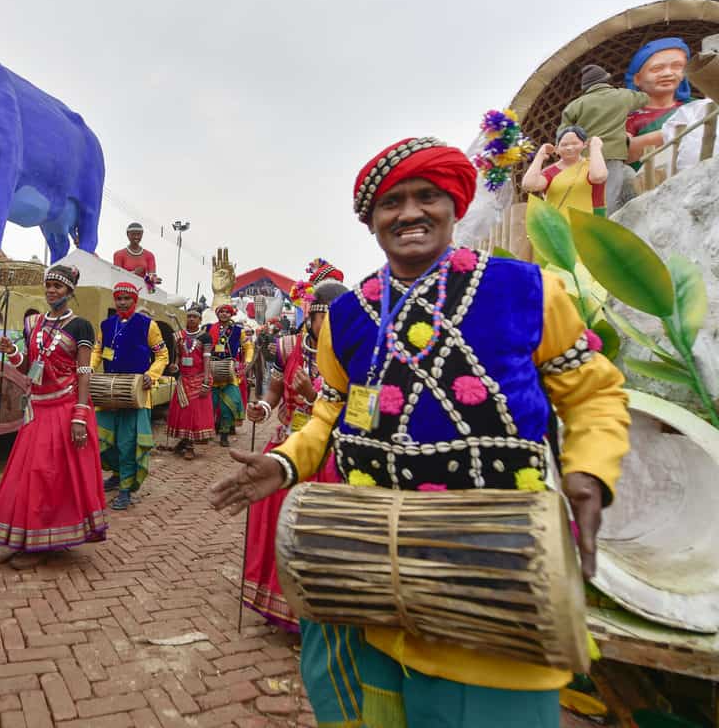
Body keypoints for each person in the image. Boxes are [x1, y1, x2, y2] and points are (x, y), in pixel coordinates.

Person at [210, 137, 630, 728]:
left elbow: (593, 393)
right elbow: (333, 411)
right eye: (391, 203)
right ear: (372, 221)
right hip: (363, 577)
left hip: (490, 577)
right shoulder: (351, 315)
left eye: (426, 196)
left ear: (454, 206)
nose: (409, 213)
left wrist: (589, 471)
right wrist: (285, 462)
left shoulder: (527, 291)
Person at [241, 264, 346, 633]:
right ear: (311, 316)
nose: (328, 326)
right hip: (285, 444)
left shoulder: (350, 356)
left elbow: (350, 410)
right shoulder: (288, 347)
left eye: (336, 318)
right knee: (272, 522)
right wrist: (263, 407)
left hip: (324, 452)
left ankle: (310, 616)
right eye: (323, 318)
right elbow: (272, 387)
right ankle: (274, 601)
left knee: (311, 533)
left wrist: (312, 395)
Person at [0, 264, 108, 557]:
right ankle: (31, 536)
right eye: (50, 285)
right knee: (31, 474)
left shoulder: (81, 326)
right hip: (37, 407)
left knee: (53, 475)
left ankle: (48, 539)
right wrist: (12, 352)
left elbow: (83, 372)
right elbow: (29, 367)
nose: (52, 291)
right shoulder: (34, 324)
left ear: (70, 291)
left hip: (65, 407)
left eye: (59, 286)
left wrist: (80, 413)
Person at [91, 281, 168, 510]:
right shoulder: (106, 325)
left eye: (127, 299)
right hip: (108, 390)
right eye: (119, 299)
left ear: (134, 301)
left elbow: (162, 355)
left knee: (128, 442)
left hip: (136, 392)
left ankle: (125, 488)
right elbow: (97, 351)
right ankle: (116, 474)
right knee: (105, 439)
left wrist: (151, 375)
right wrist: (88, 369)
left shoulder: (148, 325)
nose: (122, 302)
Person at [558, 64, 646, 212]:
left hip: (585, 159)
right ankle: (604, 227)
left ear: (586, 86)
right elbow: (645, 98)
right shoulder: (622, 96)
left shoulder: (575, 106)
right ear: (606, 79)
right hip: (613, 155)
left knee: (588, 195)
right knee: (609, 196)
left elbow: (562, 135)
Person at [626, 38, 693, 170]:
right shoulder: (628, 117)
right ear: (637, 79)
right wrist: (671, 134)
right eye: (657, 68)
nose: (668, 73)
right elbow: (622, 152)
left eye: (677, 66)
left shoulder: (697, 107)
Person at [521, 127, 608, 217]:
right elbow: (528, 185)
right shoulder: (550, 172)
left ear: (584, 145)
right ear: (557, 149)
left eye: (575, 143)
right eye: (564, 145)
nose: (569, 148)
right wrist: (540, 155)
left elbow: (598, 176)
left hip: (590, 223)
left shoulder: (592, 166)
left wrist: (595, 147)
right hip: (558, 225)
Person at [165, 303, 214, 460]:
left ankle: (190, 446)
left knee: (194, 413)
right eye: (189, 316)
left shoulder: (205, 337)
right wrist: (174, 365)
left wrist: (206, 380)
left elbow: (207, 360)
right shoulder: (179, 336)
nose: (191, 319)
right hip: (183, 379)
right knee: (182, 412)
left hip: (198, 378)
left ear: (200, 319)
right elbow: (178, 356)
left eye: (194, 317)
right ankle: (184, 441)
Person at [208, 303, 253, 447]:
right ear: (217, 314)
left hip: (230, 371)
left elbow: (248, 347)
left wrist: (246, 362)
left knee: (229, 404)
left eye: (227, 312)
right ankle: (206, 431)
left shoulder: (238, 330)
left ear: (231, 314)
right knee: (209, 404)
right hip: (211, 370)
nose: (224, 314)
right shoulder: (209, 329)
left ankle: (224, 435)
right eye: (221, 312)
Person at [112, 222, 161, 292]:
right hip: (124, 293)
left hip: (143, 292)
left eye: (139, 234)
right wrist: (134, 273)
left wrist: (153, 279)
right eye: (133, 234)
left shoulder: (149, 255)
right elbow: (117, 276)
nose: (136, 237)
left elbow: (152, 275)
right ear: (127, 234)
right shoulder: (119, 254)